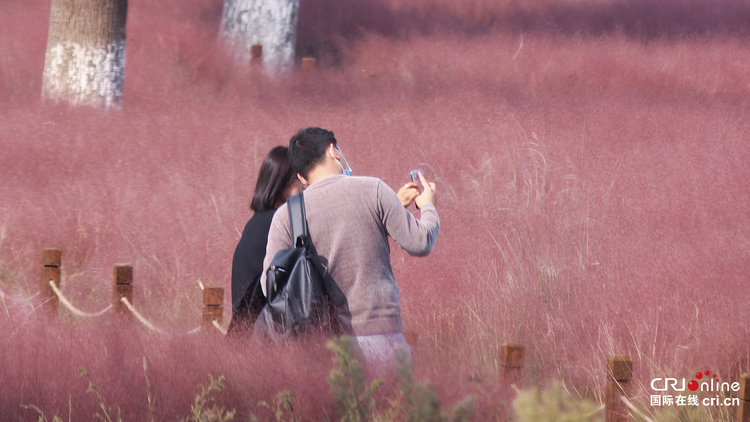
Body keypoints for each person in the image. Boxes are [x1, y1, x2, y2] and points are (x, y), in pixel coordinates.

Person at [261, 127, 439, 371]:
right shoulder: (373, 189)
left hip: (329, 352)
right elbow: (421, 242)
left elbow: (268, 284)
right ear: (333, 150)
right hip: (384, 341)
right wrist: (428, 206)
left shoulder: (287, 215)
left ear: (302, 177)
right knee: (393, 409)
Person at [228, 146, 304, 335]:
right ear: (281, 182)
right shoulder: (276, 223)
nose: (304, 184)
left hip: (248, 335)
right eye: (298, 177)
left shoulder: (256, 222)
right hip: (263, 334)